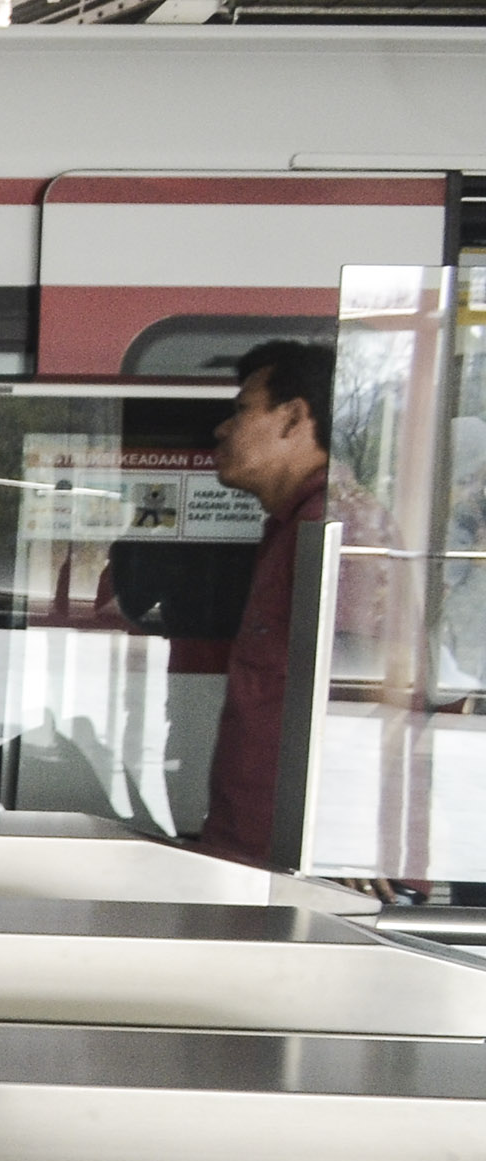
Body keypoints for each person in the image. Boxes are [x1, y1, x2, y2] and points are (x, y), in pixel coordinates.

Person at [196, 338, 389, 863]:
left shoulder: (338, 530)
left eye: (241, 410)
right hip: (262, 845)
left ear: (293, 418)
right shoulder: (295, 528)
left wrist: (348, 845)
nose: (223, 429)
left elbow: (366, 696)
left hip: (313, 858)